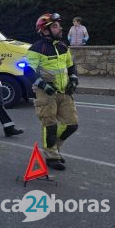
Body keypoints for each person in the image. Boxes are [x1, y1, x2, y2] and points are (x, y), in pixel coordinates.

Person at [25, 12, 79, 171]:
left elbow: (71, 65)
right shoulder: (36, 48)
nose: (60, 28)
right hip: (46, 93)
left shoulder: (62, 46)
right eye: (55, 26)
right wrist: (43, 85)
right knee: (50, 125)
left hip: (64, 91)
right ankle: (51, 156)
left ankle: (54, 148)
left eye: (59, 25)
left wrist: (74, 78)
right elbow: (28, 71)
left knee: (72, 125)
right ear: (45, 30)